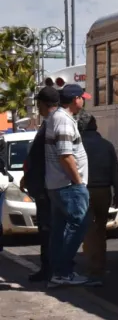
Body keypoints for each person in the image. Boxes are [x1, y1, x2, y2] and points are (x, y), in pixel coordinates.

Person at [45, 83, 91, 288]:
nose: (84, 101)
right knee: (79, 225)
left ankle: (57, 271)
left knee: (60, 229)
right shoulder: (63, 121)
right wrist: (78, 182)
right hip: (68, 185)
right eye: (82, 97)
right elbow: (65, 156)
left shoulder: (57, 118)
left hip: (58, 184)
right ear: (75, 100)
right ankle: (63, 272)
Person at [18, 86, 61, 281]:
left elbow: (49, 158)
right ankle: (48, 268)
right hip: (43, 185)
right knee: (46, 229)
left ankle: (52, 269)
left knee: (49, 230)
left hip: (47, 187)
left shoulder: (52, 124)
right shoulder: (48, 124)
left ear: (43, 104)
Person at [77, 110, 118, 286]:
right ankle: (100, 266)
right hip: (104, 191)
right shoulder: (107, 145)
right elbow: (115, 171)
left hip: (85, 191)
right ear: (95, 126)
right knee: (101, 230)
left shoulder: (78, 145)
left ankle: (92, 269)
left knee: (89, 230)